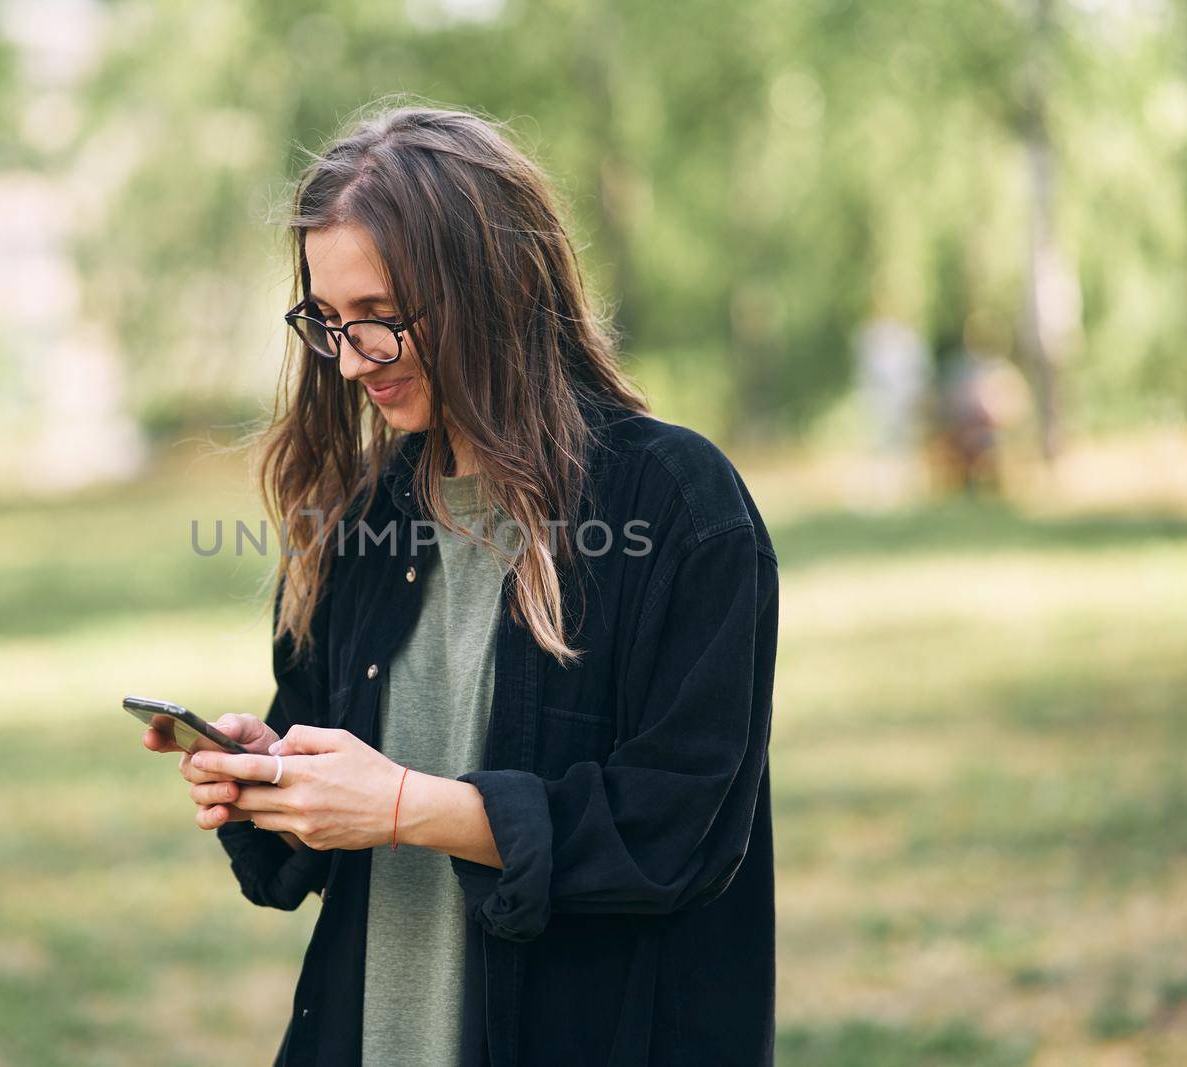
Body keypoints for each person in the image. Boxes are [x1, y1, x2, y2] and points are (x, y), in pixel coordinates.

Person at [142, 104, 779, 1066]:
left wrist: (403, 804)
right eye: (328, 320)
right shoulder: (354, 522)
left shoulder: (681, 507)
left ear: (499, 286)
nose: (352, 361)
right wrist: (271, 771)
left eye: (380, 320)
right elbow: (312, 850)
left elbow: (677, 831)